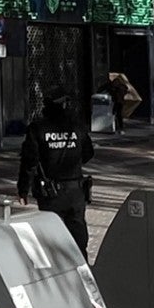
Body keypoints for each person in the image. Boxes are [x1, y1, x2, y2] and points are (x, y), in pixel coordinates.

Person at [18, 94, 94, 253]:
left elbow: (29, 161)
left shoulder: (37, 128)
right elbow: (88, 153)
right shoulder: (76, 126)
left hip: (50, 193)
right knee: (78, 239)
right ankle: (82, 271)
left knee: (52, 240)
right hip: (76, 191)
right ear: (64, 105)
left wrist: (23, 189)